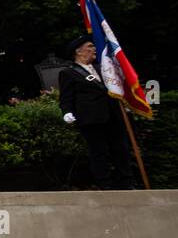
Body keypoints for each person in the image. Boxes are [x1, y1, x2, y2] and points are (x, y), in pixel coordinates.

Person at [58, 36, 135, 190]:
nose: (94, 49)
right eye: (90, 46)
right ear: (79, 52)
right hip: (91, 118)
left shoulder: (103, 67)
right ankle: (105, 185)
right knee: (99, 153)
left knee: (121, 150)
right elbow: (66, 97)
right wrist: (66, 112)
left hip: (113, 115)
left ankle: (126, 184)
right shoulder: (68, 72)